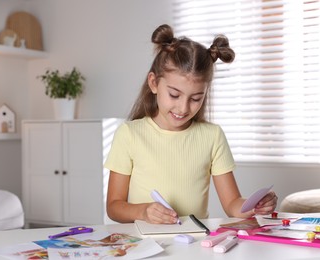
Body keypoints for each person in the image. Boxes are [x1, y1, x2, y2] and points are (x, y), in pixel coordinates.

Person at [105, 24, 277, 224]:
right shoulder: (129, 134)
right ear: (153, 83)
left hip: (194, 244)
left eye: (196, 98)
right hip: (146, 245)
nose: (183, 108)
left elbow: (232, 204)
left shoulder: (212, 136)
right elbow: (114, 206)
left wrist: (254, 206)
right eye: (174, 95)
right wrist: (143, 212)